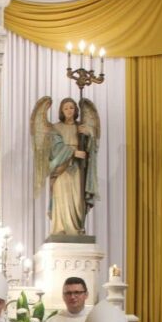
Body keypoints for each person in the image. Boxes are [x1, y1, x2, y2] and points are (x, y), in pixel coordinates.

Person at [48, 97, 98, 235]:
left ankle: (76, 229)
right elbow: (55, 148)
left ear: (76, 110)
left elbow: (90, 150)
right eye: (66, 108)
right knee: (62, 198)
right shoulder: (55, 128)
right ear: (61, 111)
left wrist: (87, 136)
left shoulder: (80, 127)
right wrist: (73, 152)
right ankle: (61, 229)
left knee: (77, 200)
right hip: (62, 169)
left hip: (77, 168)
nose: (69, 110)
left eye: (71, 107)